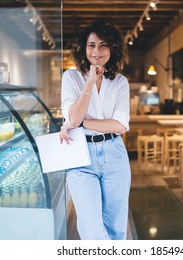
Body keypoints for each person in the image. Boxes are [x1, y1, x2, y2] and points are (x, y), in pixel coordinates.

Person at [59, 20, 131, 240]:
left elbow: (120, 125)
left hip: (114, 154)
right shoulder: (71, 77)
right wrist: (90, 81)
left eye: (103, 45)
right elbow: (73, 115)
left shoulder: (120, 82)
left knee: (116, 229)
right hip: (81, 157)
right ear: (84, 48)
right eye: (91, 45)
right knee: (91, 231)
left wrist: (79, 123)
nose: (97, 51)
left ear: (112, 49)